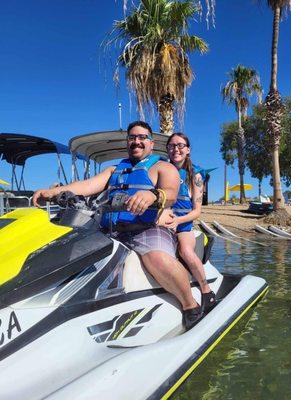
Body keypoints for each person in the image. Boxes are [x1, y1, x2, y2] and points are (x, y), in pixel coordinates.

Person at [33, 121, 203, 330]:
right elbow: (85, 186)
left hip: (146, 229)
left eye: (142, 137)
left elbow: (170, 193)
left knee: (157, 259)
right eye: (132, 137)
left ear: (151, 143)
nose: (136, 141)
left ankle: (190, 305)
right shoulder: (114, 170)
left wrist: (152, 195)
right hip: (110, 231)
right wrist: (53, 192)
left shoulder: (163, 167)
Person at [159, 132, 216, 314]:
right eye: (172, 145)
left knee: (185, 250)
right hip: (163, 219)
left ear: (188, 150)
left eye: (180, 145)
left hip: (183, 223)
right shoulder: (161, 169)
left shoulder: (196, 175)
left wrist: (178, 221)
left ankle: (206, 291)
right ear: (167, 149)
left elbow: (197, 211)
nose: (176, 149)